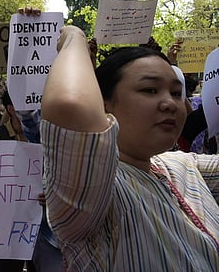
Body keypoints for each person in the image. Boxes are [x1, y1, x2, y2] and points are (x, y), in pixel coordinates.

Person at [41, 25, 219, 270]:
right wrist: (74, 38)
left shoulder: (182, 166)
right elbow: (70, 104)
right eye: (149, 90)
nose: (170, 103)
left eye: (177, 93)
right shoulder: (91, 192)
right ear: (104, 105)